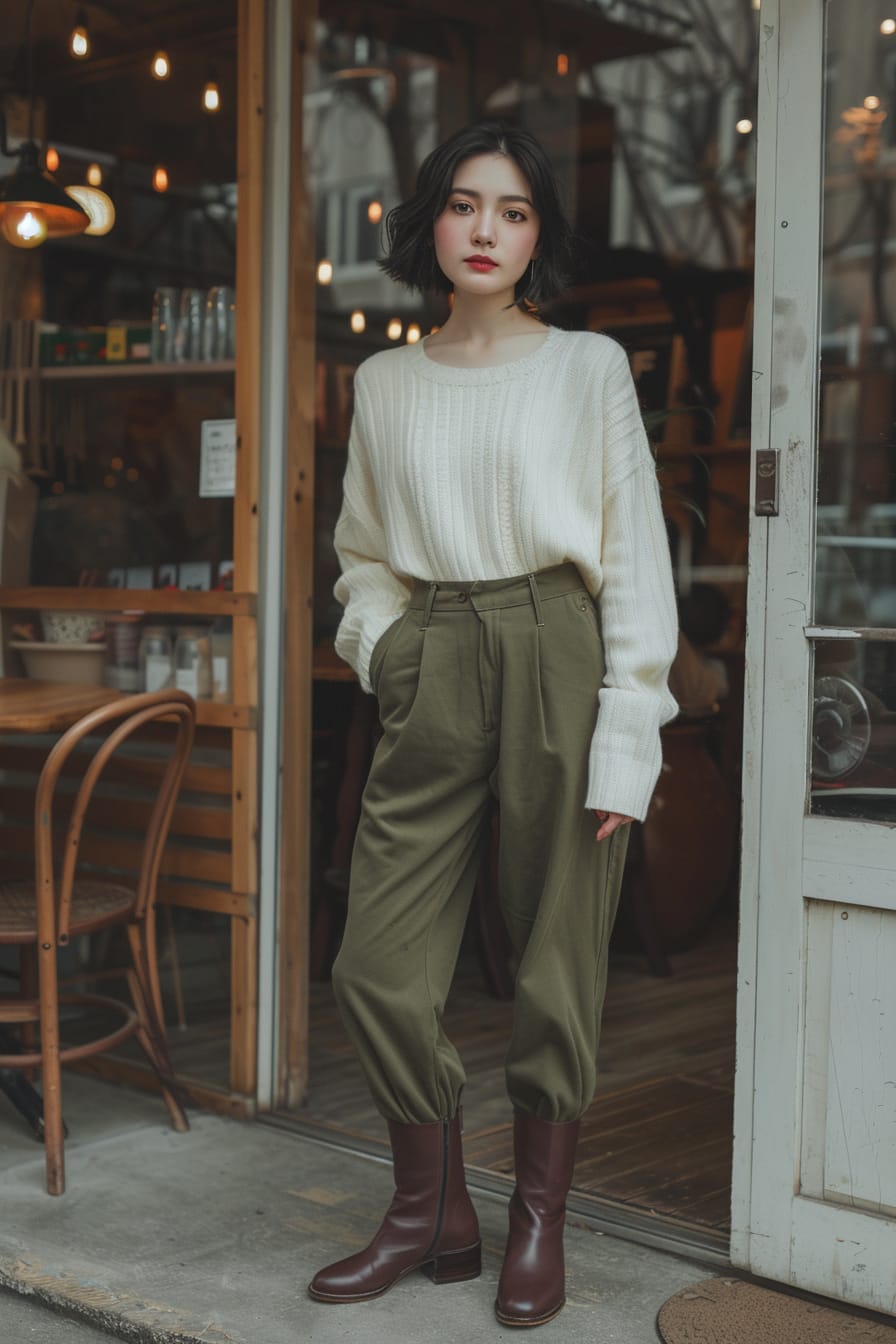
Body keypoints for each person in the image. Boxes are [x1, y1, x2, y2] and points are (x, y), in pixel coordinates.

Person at [308, 120, 679, 1328]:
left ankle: (534, 1219)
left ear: (535, 237)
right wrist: (386, 646)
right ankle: (430, 1212)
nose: (484, 231)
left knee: (555, 960)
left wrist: (631, 725)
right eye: (465, 206)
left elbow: (633, 556)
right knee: (375, 958)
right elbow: (361, 554)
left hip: (559, 644)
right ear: (428, 221)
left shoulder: (586, 369)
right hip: (433, 651)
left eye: (512, 213)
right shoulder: (385, 382)